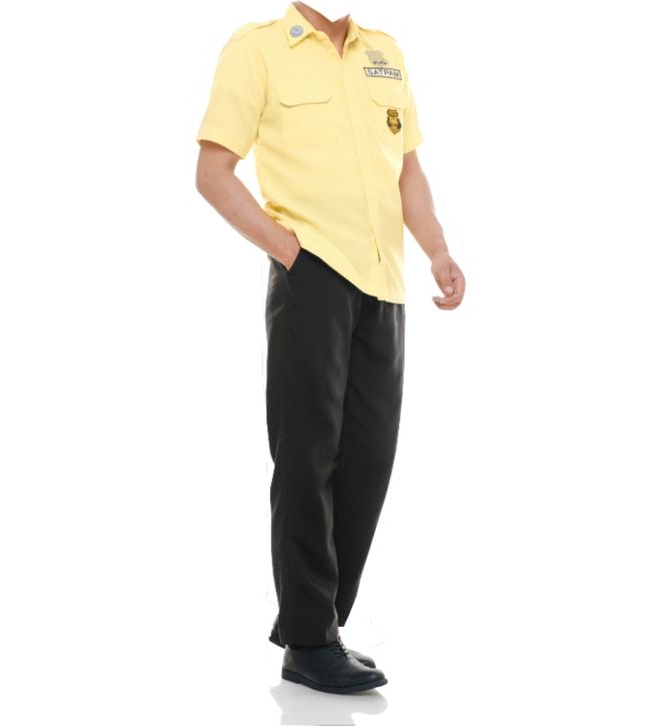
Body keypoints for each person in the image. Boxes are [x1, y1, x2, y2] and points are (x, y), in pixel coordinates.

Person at [195, 1, 465, 694]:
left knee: (369, 458)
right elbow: (213, 171)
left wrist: (437, 250)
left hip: (385, 283)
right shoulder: (257, 49)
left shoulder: (385, 52)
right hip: (312, 278)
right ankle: (310, 640)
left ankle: (320, 625)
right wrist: (289, 251)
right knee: (306, 457)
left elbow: (407, 171)